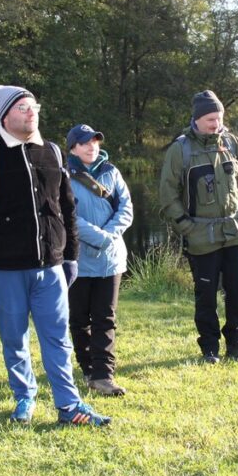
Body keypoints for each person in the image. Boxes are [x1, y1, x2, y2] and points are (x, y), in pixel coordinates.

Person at [0, 85, 111, 427]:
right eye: (24, 107)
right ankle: (24, 398)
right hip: (5, 270)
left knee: (58, 338)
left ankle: (69, 405)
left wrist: (71, 255)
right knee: (14, 339)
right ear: (6, 115)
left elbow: (67, 209)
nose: (32, 112)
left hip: (51, 268)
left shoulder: (53, 153)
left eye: (34, 106)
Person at [158, 90, 238, 364]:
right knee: (205, 294)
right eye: (209, 119)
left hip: (236, 231)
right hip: (200, 236)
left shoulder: (233, 143)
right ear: (196, 119)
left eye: (218, 118)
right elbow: (168, 194)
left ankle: (237, 342)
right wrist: (185, 225)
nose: (215, 124)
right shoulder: (179, 150)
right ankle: (209, 348)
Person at [65, 124, 134, 396]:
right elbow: (67, 216)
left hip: (110, 259)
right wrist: (100, 236)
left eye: (94, 141)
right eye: (85, 143)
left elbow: (126, 208)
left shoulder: (111, 172)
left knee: (105, 317)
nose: (92, 146)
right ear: (73, 147)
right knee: (79, 319)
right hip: (78, 261)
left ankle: (104, 375)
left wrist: (109, 235)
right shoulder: (63, 176)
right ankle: (88, 369)